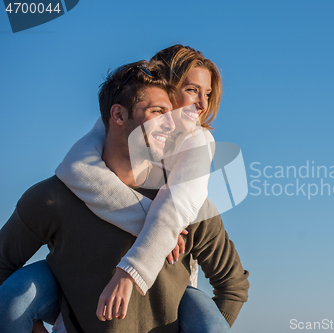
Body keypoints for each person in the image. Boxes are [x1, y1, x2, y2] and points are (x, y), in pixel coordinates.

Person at [0, 59, 249, 333]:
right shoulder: (54, 197)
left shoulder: (188, 207)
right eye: (157, 112)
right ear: (118, 116)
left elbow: (233, 286)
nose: (170, 124)